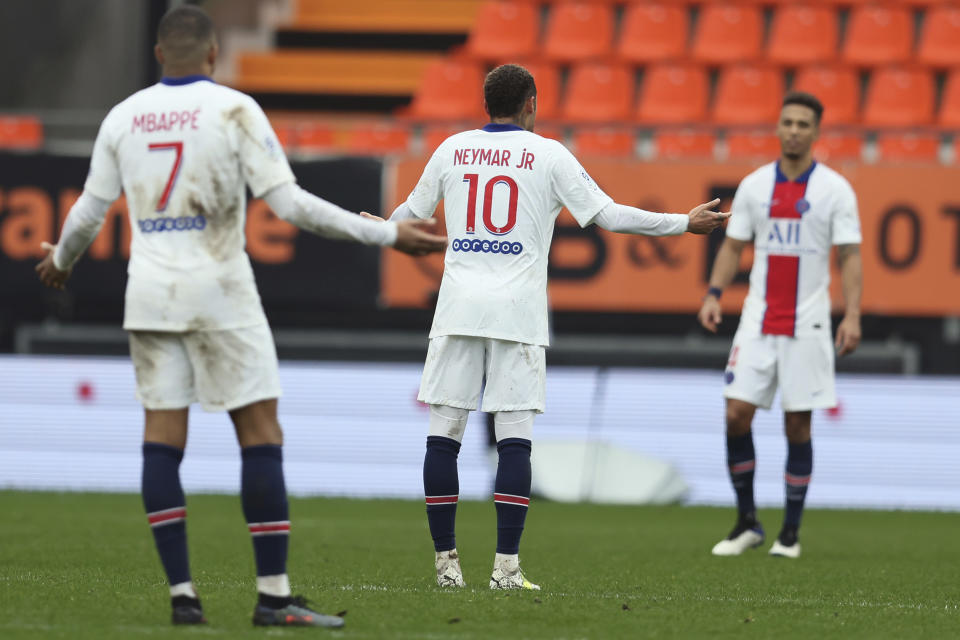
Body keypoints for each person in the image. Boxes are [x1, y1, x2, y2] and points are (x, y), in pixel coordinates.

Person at [35, 5, 445, 628]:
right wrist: (388, 235)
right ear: (212, 54)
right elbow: (291, 205)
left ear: (156, 56)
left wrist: (60, 261)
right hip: (221, 291)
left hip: (149, 295)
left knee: (161, 439)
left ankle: (182, 597)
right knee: (259, 434)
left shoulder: (123, 117)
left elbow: (91, 211)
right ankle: (274, 597)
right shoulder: (233, 110)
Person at [378, 63, 728, 590]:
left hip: (456, 309)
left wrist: (373, 231)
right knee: (514, 440)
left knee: (442, 437)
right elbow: (608, 216)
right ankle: (505, 569)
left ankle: (446, 568)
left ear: (486, 103)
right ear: (532, 104)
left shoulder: (452, 148)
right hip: (516, 313)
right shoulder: (548, 155)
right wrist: (684, 222)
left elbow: (407, 216)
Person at [698, 91, 863, 559]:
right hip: (757, 318)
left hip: (809, 322)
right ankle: (747, 521)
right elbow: (732, 247)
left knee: (797, 425)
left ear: (816, 131)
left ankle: (789, 534)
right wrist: (713, 295)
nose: (794, 130)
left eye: (803, 124)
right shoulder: (753, 186)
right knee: (735, 414)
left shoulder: (835, 190)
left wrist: (852, 314)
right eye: (787, 122)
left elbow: (849, 255)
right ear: (778, 127)